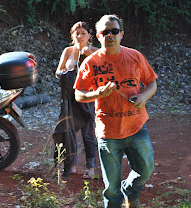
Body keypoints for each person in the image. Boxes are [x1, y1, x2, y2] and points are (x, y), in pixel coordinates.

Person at [74, 15, 157, 208]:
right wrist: (97, 93)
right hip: (108, 132)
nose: (110, 35)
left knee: (146, 170)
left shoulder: (135, 56)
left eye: (114, 31)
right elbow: (79, 94)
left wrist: (144, 97)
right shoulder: (90, 63)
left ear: (121, 34)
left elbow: (152, 82)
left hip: (137, 127)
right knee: (111, 187)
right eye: (105, 32)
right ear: (98, 36)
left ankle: (130, 190)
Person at [53, 21, 98, 178]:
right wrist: (65, 72)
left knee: (87, 134)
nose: (80, 36)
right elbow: (58, 71)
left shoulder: (95, 52)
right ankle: (70, 166)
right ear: (72, 36)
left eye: (83, 33)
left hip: (87, 98)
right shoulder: (68, 51)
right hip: (70, 99)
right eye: (77, 33)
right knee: (68, 132)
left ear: (89, 36)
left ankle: (90, 168)